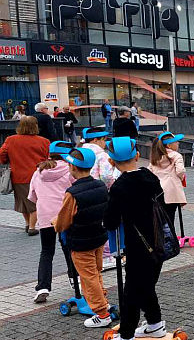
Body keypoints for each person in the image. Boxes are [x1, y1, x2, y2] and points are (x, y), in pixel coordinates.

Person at [100, 137, 169, 340]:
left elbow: (110, 221)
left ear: (111, 162)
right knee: (147, 285)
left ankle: (126, 339)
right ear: (137, 155)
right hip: (158, 242)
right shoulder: (150, 177)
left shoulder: (119, 187)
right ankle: (155, 324)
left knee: (131, 290)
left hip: (138, 245)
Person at [52, 147, 112, 328]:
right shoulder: (101, 185)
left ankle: (102, 313)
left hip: (80, 241)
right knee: (96, 272)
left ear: (72, 167)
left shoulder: (72, 193)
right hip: (99, 237)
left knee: (88, 276)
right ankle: (103, 301)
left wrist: (55, 223)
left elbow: (63, 221)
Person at [28, 141, 76, 304]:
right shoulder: (70, 170)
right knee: (69, 249)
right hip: (65, 214)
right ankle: (74, 281)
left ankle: (43, 287)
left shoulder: (38, 171)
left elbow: (32, 196)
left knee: (47, 251)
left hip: (45, 215)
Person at [0, 116, 49, 234]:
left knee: (23, 202)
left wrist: (6, 161)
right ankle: (32, 227)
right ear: (35, 126)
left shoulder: (11, 139)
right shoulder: (44, 141)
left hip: (18, 175)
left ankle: (27, 224)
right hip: (38, 175)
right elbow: (48, 158)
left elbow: (2, 154)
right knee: (36, 202)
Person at [148, 131, 187, 228]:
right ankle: (170, 239)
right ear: (169, 145)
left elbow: (149, 171)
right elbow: (180, 171)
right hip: (172, 191)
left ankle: (163, 239)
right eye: (176, 141)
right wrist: (181, 178)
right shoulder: (176, 155)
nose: (178, 143)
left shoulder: (156, 157)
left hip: (159, 192)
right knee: (171, 218)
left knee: (162, 219)